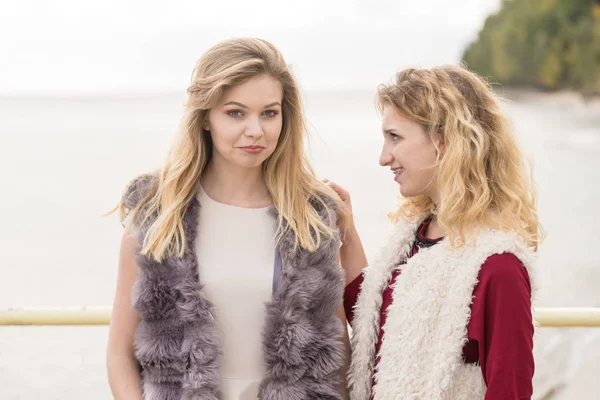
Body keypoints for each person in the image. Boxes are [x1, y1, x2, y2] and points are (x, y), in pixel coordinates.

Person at [106, 38, 350, 400]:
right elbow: (119, 353)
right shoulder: (158, 218)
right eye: (235, 113)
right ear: (205, 118)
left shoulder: (312, 219)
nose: (255, 130)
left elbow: (337, 352)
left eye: (269, 112)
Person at [326, 65, 541, 400]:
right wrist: (347, 234)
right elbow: (375, 325)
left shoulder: (498, 267)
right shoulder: (416, 235)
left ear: (445, 140)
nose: (384, 158)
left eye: (395, 137)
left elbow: (510, 390)